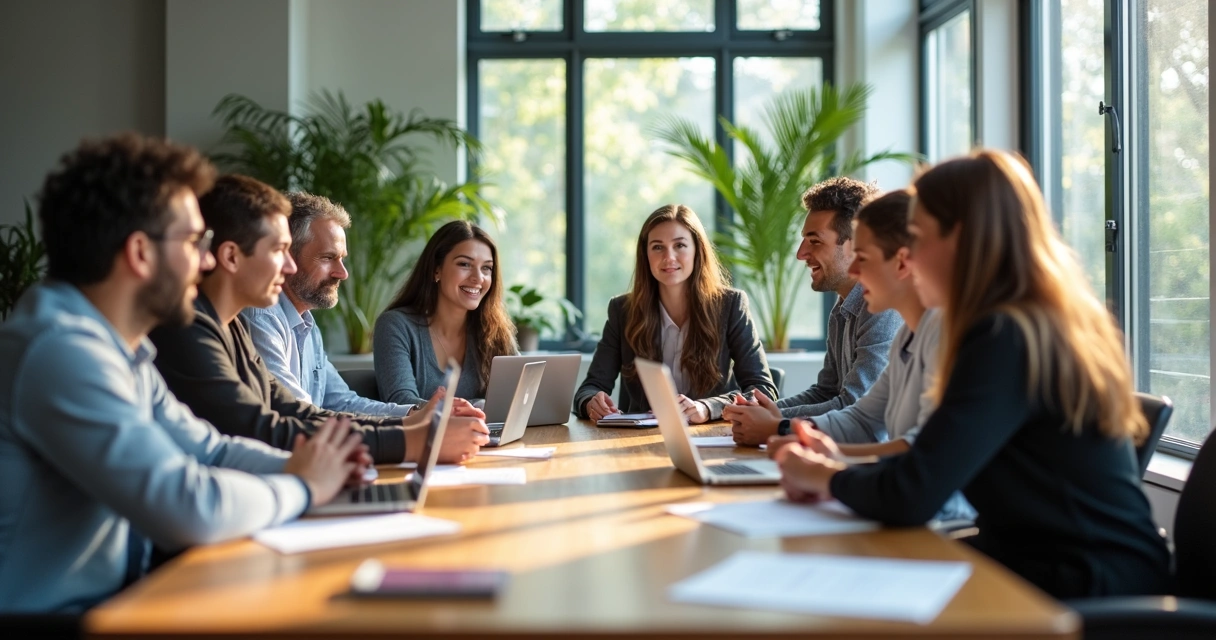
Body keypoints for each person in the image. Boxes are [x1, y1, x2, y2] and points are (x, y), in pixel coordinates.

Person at [773, 150, 1171, 599]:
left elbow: (914, 491)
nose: (910, 255)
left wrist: (823, 475)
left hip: (1086, 588)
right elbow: (924, 466)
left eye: (919, 236)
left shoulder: (1006, 334)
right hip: (1026, 563)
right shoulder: (1011, 322)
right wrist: (836, 467)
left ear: (961, 238)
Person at [0, 134, 367, 612]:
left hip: (119, 602)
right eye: (195, 242)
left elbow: (208, 448)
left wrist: (315, 469)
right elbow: (186, 506)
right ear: (140, 253)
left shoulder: (117, 346)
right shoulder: (59, 350)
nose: (209, 260)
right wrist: (301, 486)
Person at [150, 176, 488, 466]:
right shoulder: (202, 324)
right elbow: (264, 427)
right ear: (231, 257)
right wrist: (411, 441)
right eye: (278, 251)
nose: (288, 267)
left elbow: (301, 411)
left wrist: (412, 425)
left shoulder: (236, 325)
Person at [758, 189, 972, 522]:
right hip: (909, 510)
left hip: (943, 521)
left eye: (864, 257)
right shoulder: (907, 334)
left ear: (902, 262)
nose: (855, 271)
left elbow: (922, 451)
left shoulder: (945, 331)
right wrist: (811, 443)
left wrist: (812, 453)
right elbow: (861, 417)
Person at [723, 177, 902, 444]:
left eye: (814, 241)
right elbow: (825, 392)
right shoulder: (842, 310)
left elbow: (852, 405)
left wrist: (777, 423)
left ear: (853, 245)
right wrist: (764, 414)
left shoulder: (884, 310)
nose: (801, 253)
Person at [573, 204, 775, 423]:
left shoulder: (730, 306)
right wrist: (591, 402)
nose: (669, 257)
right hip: (638, 441)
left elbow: (763, 390)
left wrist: (707, 408)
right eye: (658, 247)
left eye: (679, 245)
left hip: (710, 437)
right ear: (646, 255)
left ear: (697, 250)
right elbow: (590, 388)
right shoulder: (623, 311)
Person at [243, 192, 413, 416]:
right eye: (327, 258)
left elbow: (344, 403)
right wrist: (408, 431)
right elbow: (300, 414)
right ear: (287, 256)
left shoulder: (307, 326)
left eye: (342, 258)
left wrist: (417, 414)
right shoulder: (263, 317)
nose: (342, 273)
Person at [374, 220, 518, 405]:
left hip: (482, 434)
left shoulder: (494, 330)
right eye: (465, 264)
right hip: (424, 434)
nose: (478, 278)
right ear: (436, 270)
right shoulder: (395, 326)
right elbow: (402, 403)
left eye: (486, 268)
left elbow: (520, 396)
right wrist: (477, 406)